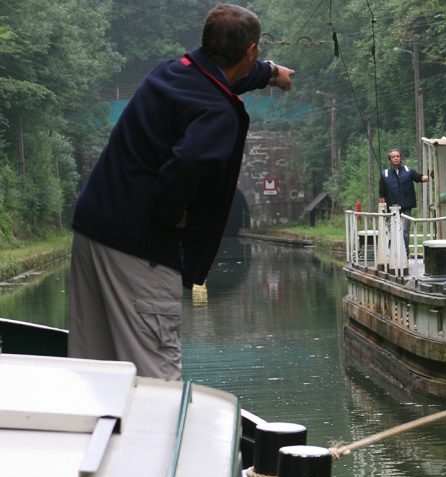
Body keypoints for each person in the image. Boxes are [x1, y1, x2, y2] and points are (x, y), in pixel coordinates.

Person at [68, 3, 294, 380]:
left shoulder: (170, 73)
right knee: (156, 378)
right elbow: (187, 162)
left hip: (94, 230)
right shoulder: (217, 113)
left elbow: (222, 77)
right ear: (250, 49)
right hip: (141, 249)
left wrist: (270, 73)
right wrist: (170, 212)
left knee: (96, 369)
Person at [378, 148, 428, 249]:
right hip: (391, 209)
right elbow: (382, 193)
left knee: (405, 231)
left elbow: (419, 177)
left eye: (397, 156)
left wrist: (428, 177)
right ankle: (393, 253)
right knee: (392, 231)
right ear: (390, 160)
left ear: (401, 158)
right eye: (393, 157)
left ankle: (405, 253)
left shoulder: (408, 171)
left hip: (406, 207)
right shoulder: (385, 174)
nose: (396, 158)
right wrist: (383, 207)